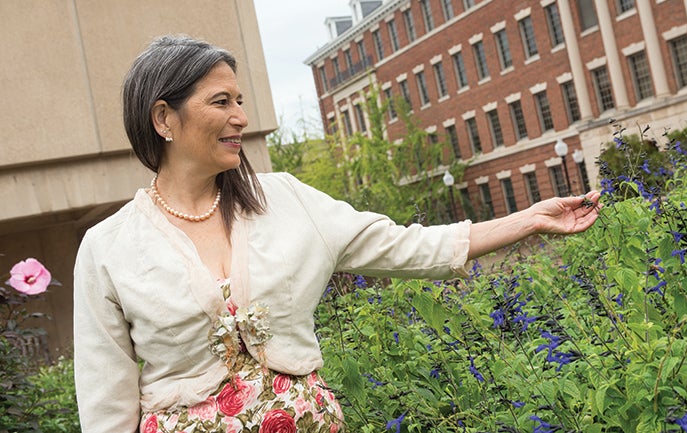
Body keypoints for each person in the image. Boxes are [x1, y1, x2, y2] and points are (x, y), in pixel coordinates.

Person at [73, 35, 602, 433]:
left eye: (240, 99)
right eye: (221, 102)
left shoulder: (287, 199)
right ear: (164, 117)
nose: (241, 117)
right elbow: (106, 403)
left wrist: (527, 220)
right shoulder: (107, 248)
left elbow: (407, 245)